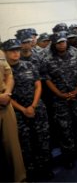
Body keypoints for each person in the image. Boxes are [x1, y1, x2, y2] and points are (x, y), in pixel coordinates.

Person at [3, 39, 54, 181]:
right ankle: (30, 172)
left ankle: (46, 168)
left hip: (37, 109)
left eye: (17, 50)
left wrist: (33, 106)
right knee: (25, 145)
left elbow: (38, 86)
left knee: (43, 140)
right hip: (18, 113)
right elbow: (6, 95)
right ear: (5, 53)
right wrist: (23, 109)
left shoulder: (29, 65)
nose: (15, 53)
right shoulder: (4, 73)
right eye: (11, 50)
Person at [43, 31, 77, 169]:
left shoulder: (76, 54)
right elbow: (47, 79)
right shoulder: (47, 59)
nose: (62, 44)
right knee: (65, 128)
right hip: (60, 99)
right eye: (59, 42)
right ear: (54, 44)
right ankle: (69, 156)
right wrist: (60, 94)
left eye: (63, 41)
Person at [0, 49, 26, 182]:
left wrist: (8, 93)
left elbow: (9, 75)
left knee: (13, 148)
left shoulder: (0, 54)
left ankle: (20, 180)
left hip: (5, 103)